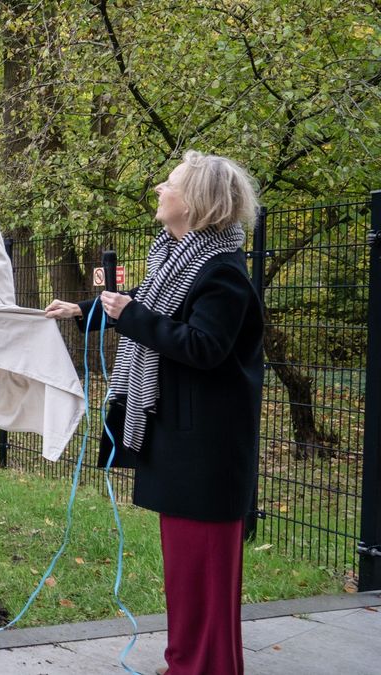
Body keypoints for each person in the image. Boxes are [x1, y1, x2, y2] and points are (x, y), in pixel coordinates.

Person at [45, 151, 263, 675]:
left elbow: (204, 345)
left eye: (169, 185)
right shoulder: (179, 259)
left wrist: (133, 316)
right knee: (186, 569)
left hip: (206, 447)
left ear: (196, 203)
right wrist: (85, 312)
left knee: (203, 570)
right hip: (181, 438)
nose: (159, 191)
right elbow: (148, 305)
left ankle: (203, 667)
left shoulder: (222, 272)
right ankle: (187, 662)